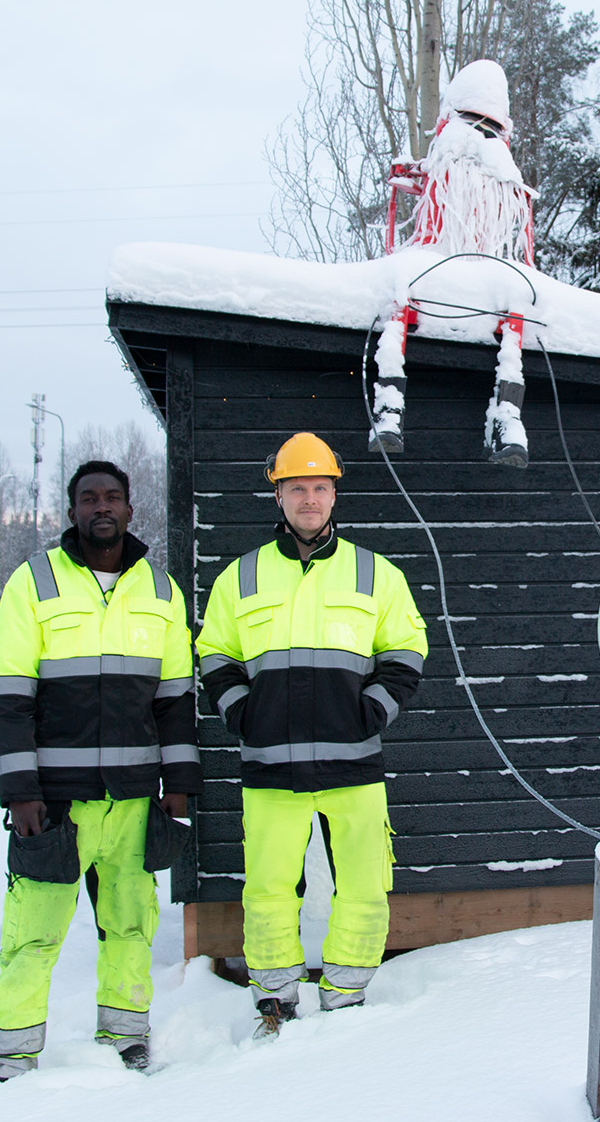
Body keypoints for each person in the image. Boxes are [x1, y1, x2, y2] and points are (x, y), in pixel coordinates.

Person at [196, 433, 426, 1035]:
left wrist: (372, 710)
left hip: (354, 764)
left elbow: (406, 647)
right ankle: (275, 997)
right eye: (297, 487)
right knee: (269, 889)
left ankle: (347, 994)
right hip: (270, 766)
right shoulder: (240, 578)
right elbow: (214, 652)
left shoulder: (374, 573)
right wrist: (241, 713)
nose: (310, 499)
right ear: (277, 494)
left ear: (333, 495)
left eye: (320, 487)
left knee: (366, 886)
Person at [0, 460, 198, 1083]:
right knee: (33, 936)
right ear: (72, 509)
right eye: (88, 498)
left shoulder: (161, 591)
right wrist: (20, 793)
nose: (101, 506)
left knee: (130, 928)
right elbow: (11, 698)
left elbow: (176, 701)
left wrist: (178, 788)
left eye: (113, 497)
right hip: (55, 807)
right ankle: (10, 1056)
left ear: (131, 508)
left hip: (133, 803)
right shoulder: (34, 583)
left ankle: (126, 1039)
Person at [372, 58, 536, 467]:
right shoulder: (446, 167)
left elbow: (522, 243)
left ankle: (507, 416)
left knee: (517, 300)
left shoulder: (497, 176)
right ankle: (389, 408)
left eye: (489, 127)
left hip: (485, 272)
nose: (480, 134)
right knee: (398, 291)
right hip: (432, 265)